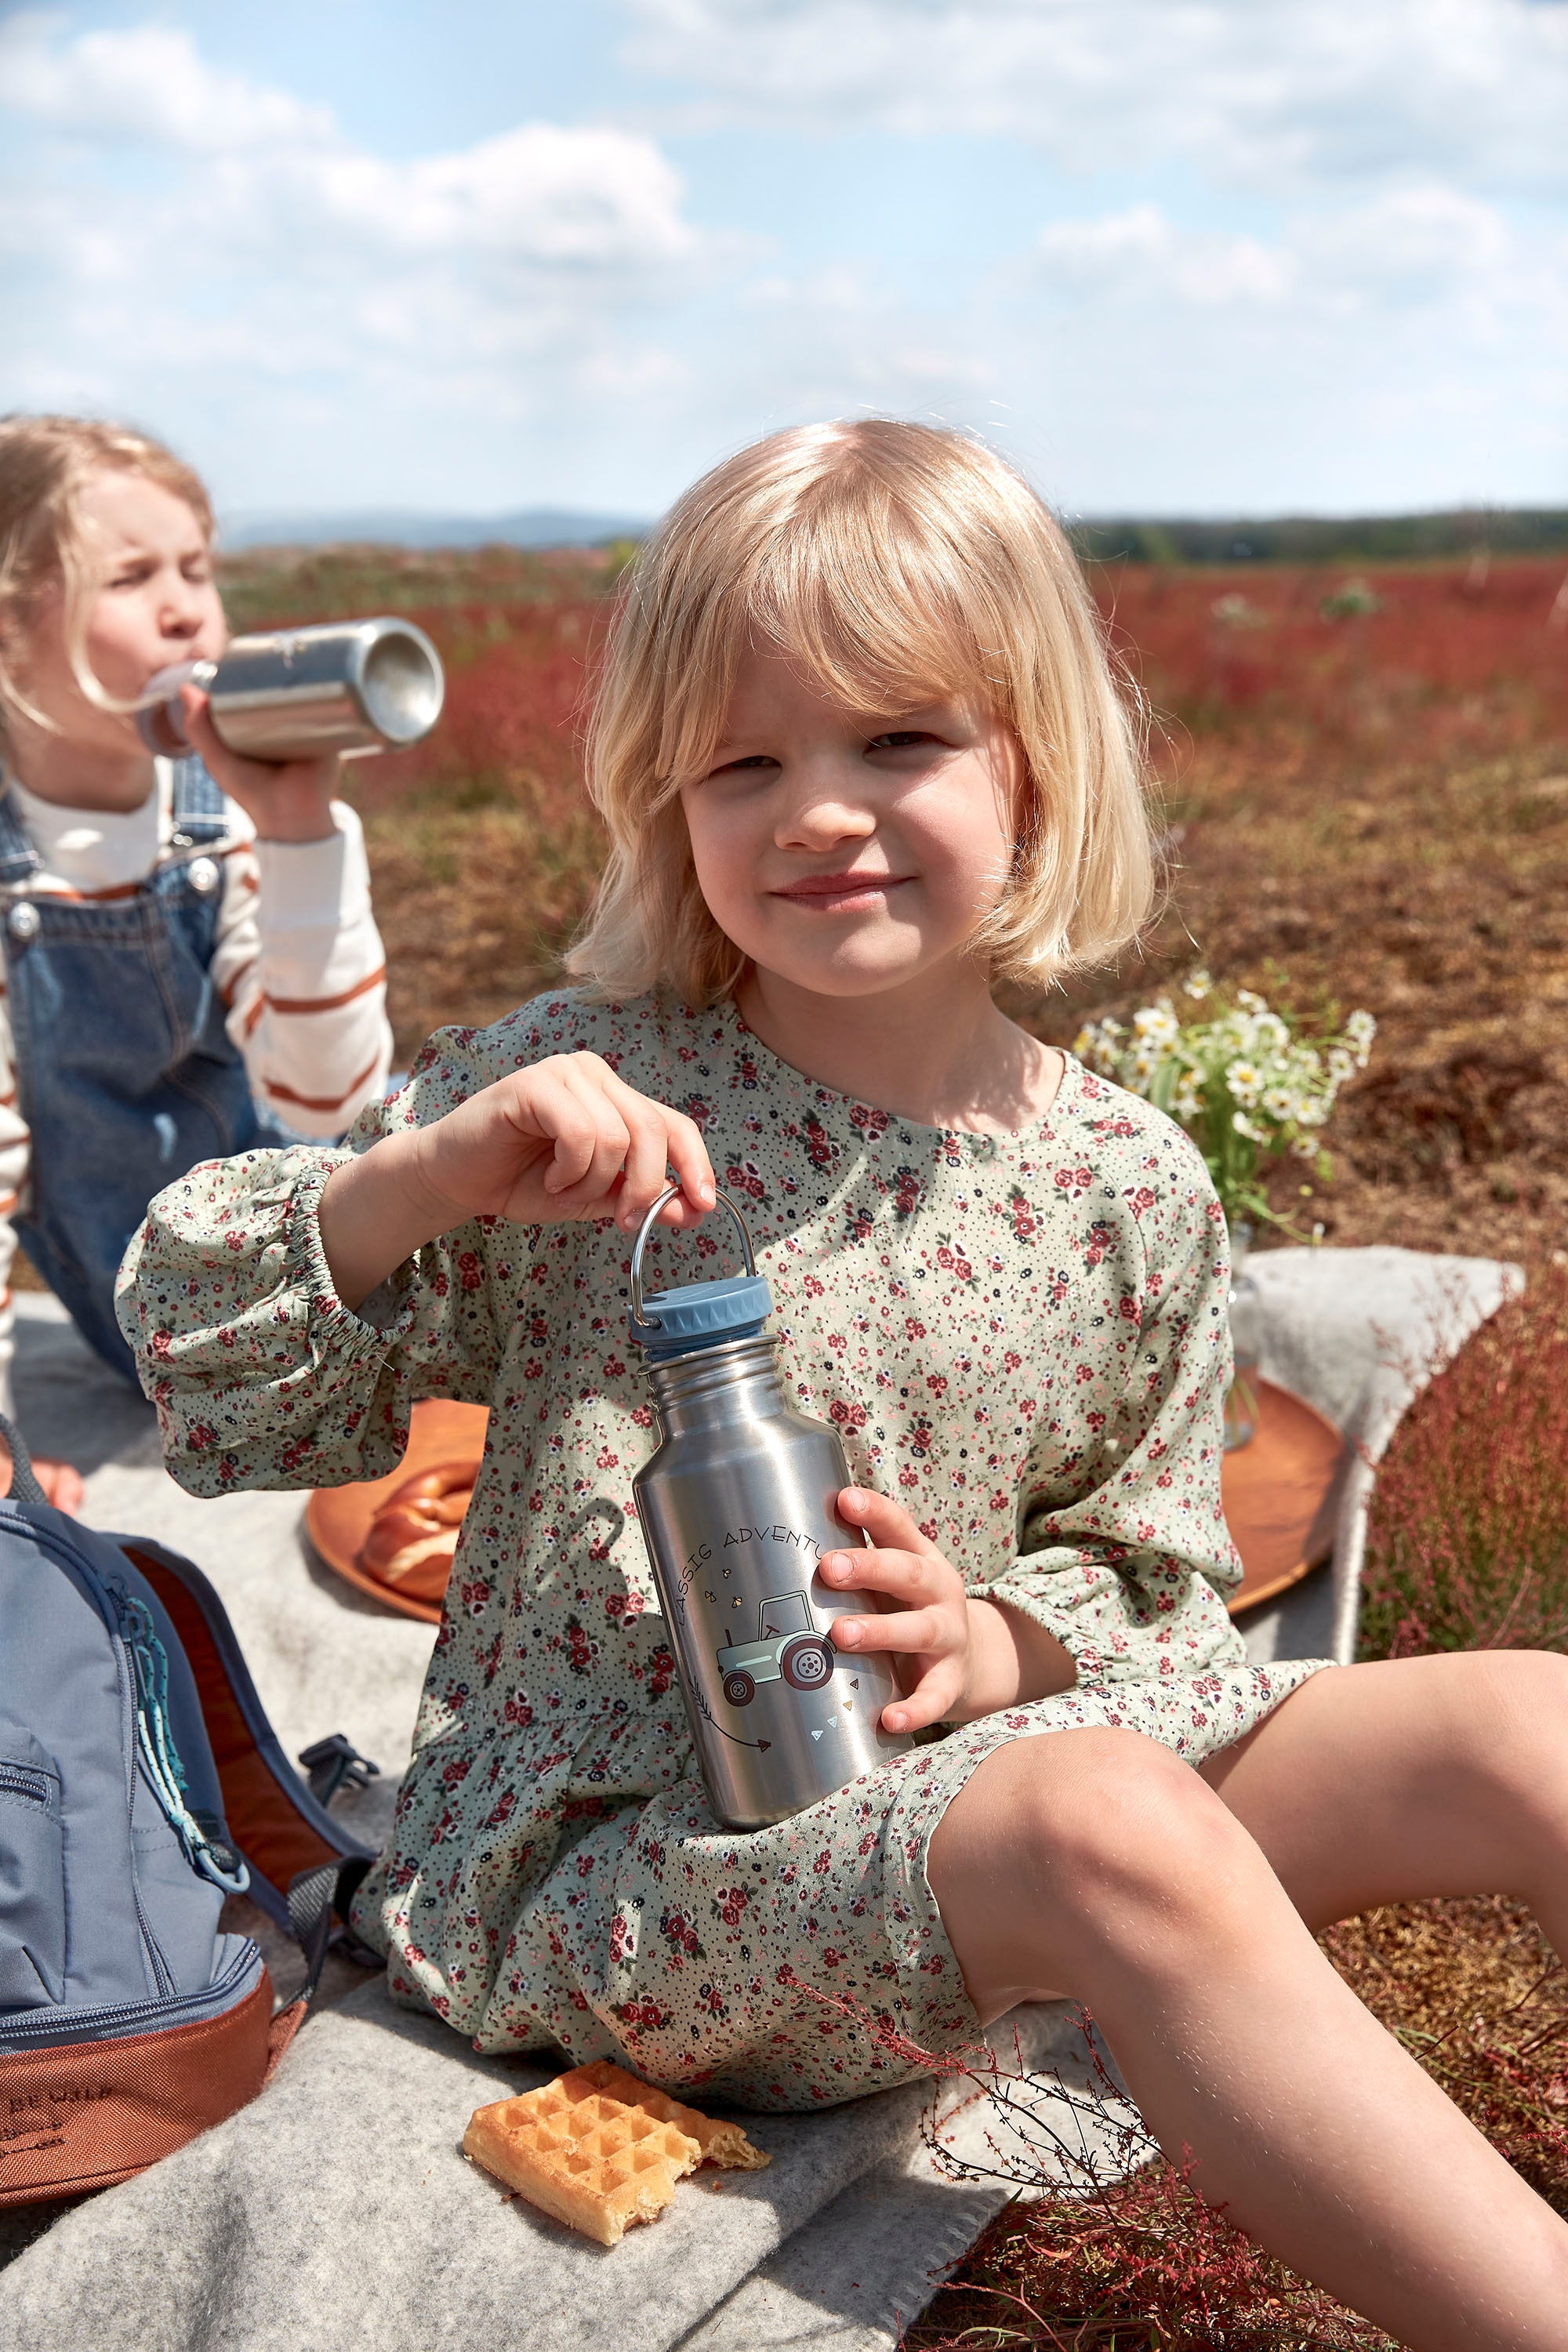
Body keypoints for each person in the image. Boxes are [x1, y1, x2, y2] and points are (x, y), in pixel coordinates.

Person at [121, 423, 1568, 2347]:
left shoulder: (1123, 1181)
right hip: (630, 1869)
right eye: (744, 763)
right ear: (668, 804)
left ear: (1036, 768)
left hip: (963, 1784)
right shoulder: (584, 1099)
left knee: (1528, 1727)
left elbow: (1149, 1577)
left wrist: (998, 1643)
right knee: (1103, 1829)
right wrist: (416, 1175)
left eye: (894, 742)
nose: (815, 810)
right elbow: (211, 1368)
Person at [0, 415, 392, 1504]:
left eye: (197, 569)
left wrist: (303, 837)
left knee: (479, 1090)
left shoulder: (221, 823)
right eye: (131, 577)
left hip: (315, 1227)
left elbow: (327, 1098)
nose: (187, 608)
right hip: (165, 1309)